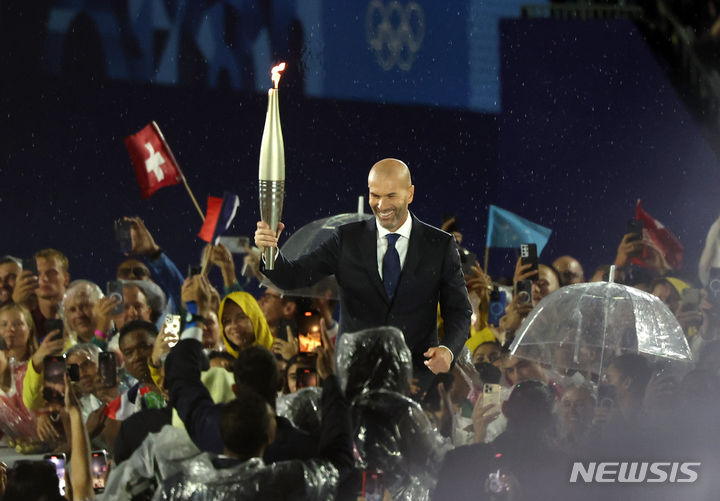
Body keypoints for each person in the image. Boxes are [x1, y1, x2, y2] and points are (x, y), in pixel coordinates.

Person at [255, 158, 471, 389]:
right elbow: (293, 276)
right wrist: (271, 252)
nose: (381, 205)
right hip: (355, 382)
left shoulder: (439, 245)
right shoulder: (345, 240)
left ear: (410, 194)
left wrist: (448, 351)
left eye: (391, 196)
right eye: (374, 195)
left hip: (416, 381)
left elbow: (459, 311)